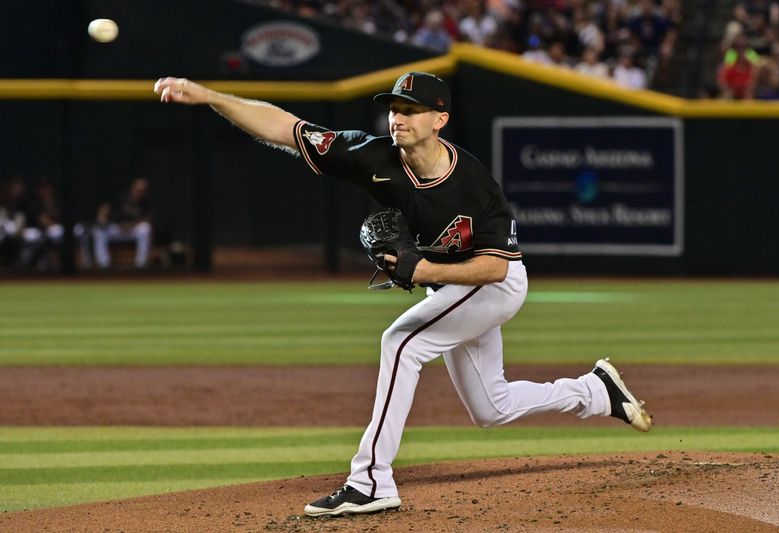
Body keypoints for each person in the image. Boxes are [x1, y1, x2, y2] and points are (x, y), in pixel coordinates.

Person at [154, 72, 653, 517]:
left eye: (411, 111)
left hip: (496, 285)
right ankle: (594, 392)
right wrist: (207, 96)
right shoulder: (372, 156)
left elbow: (495, 267)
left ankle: (370, 480)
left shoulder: (473, 183)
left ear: (441, 119)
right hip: (452, 285)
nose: (398, 118)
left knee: (402, 342)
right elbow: (286, 128)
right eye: (394, 108)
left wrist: (423, 267)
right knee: (491, 408)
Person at [92, 177, 153, 269]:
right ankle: (103, 264)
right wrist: (102, 217)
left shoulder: (146, 202)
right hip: (117, 228)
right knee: (98, 230)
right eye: (137, 189)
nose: (139, 192)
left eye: (142, 191)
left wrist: (131, 225)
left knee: (145, 229)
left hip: (133, 230)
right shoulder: (122, 197)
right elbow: (106, 207)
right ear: (133, 188)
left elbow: (148, 219)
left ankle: (140, 265)